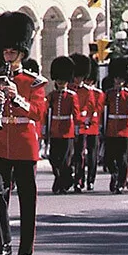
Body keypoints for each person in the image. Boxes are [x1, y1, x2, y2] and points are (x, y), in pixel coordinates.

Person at [0, 12, 46, 255]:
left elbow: (38, 113)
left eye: (12, 52)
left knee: (27, 199)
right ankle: (4, 242)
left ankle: (25, 248)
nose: (8, 56)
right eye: (5, 52)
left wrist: (17, 98)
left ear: (21, 53)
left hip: (24, 145)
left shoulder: (33, 82)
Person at [46, 56, 82, 195]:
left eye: (63, 79)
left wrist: (77, 130)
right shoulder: (52, 95)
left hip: (67, 131)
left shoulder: (72, 96)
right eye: (58, 79)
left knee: (65, 160)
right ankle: (61, 178)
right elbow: (46, 113)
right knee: (53, 158)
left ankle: (61, 183)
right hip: (55, 130)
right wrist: (44, 129)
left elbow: (76, 114)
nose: (60, 82)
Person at [70, 54, 102, 192]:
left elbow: (93, 108)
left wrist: (88, 119)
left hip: (91, 125)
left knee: (92, 154)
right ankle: (79, 180)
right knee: (78, 154)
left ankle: (90, 180)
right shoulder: (71, 90)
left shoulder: (91, 92)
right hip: (77, 126)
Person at [103, 57, 128, 194]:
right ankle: (114, 174)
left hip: (124, 129)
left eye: (121, 78)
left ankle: (121, 182)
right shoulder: (109, 94)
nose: (118, 81)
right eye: (116, 78)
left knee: (123, 158)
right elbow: (104, 111)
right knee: (109, 157)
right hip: (111, 129)